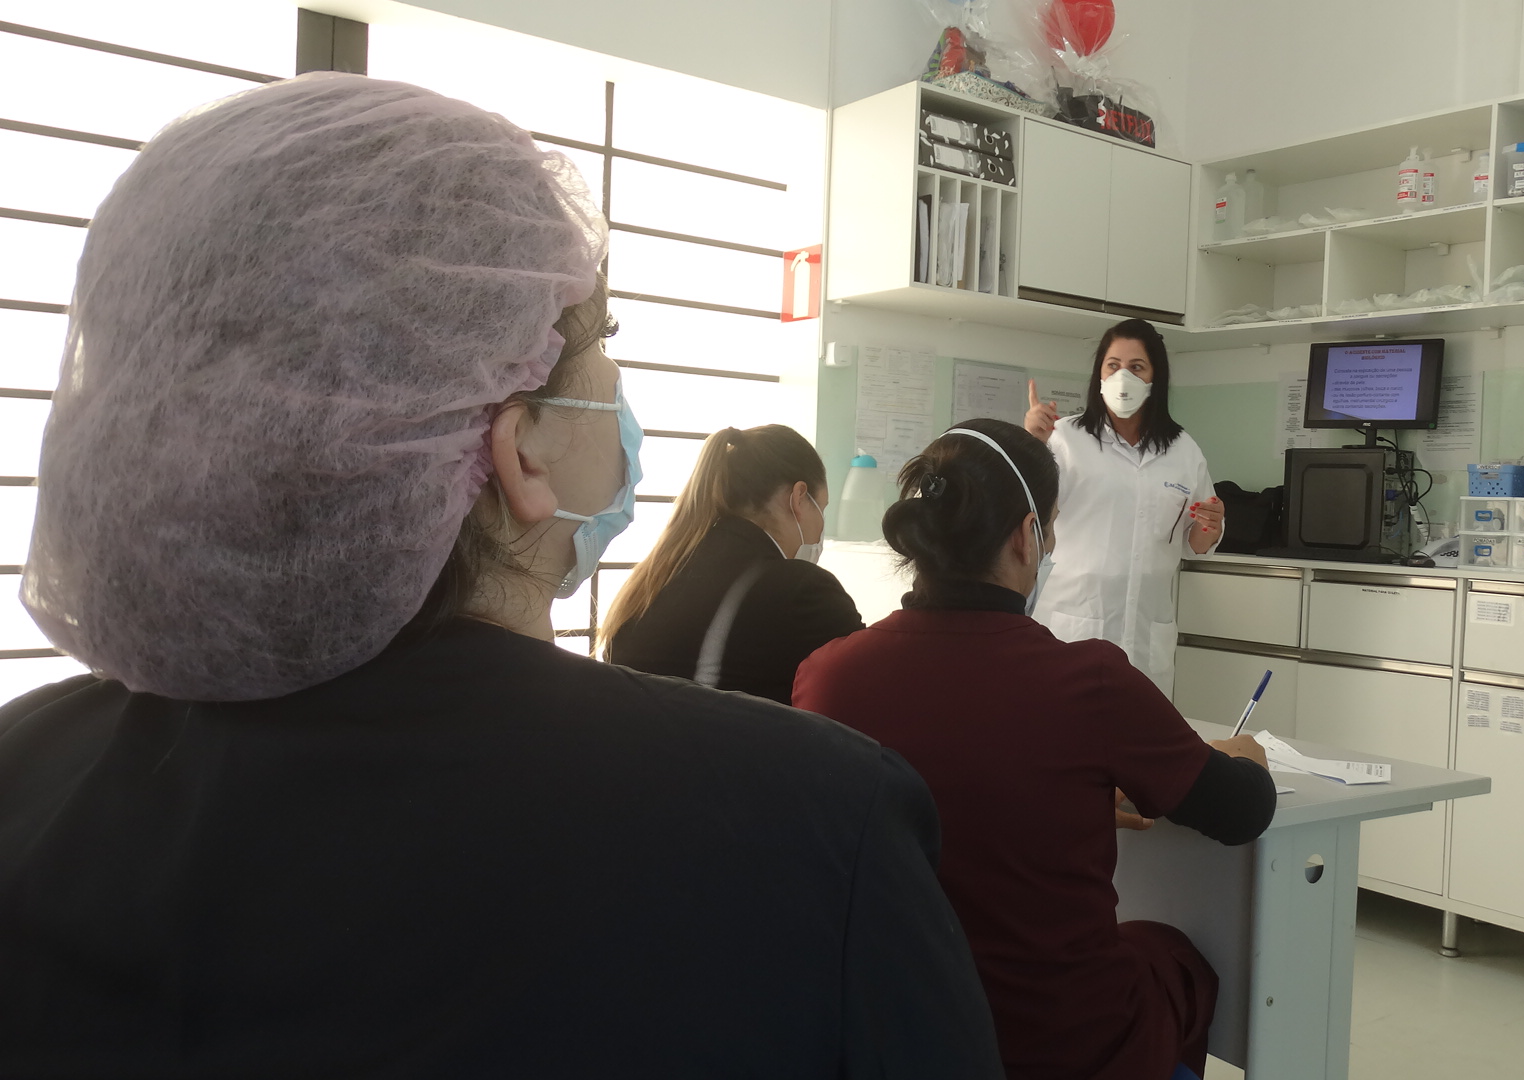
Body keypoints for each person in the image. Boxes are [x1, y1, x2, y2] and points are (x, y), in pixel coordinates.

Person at [0, 73, 1001, 1078]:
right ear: (520, 452)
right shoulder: (814, 830)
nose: (618, 383)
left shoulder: (26, 770)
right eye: (603, 340)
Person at [793, 419, 1276, 1080]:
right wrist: (1245, 758)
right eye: (1050, 528)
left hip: (889, 1033)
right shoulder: (1090, 682)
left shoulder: (827, 674)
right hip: (1054, 1042)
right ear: (1028, 536)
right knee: (1175, 955)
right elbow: (1242, 811)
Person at [1025, 319, 1225, 697]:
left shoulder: (1183, 451)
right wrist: (1032, 442)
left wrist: (1210, 528)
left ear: (1155, 377)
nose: (1123, 377)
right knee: (1066, 726)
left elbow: (1194, 543)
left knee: (1141, 728)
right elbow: (1023, 512)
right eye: (1113, 365)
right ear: (1099, 374)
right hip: (1074, 629)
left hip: (1147, 635)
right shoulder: (1064, 439)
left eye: (1137, 367)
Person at [601, 425, 862, 704]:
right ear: (799, 497)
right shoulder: (803, 591)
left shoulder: (656, 578)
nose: (821, 526)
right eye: (822, 507)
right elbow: (866, 690)